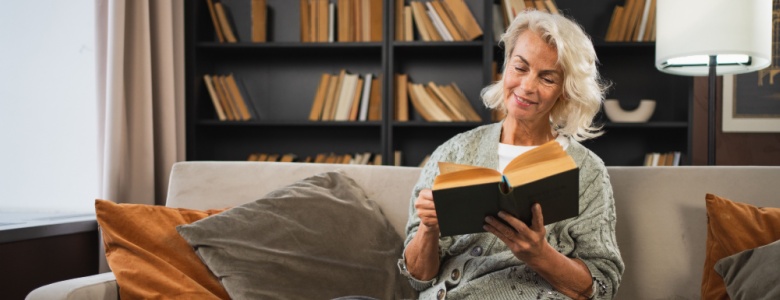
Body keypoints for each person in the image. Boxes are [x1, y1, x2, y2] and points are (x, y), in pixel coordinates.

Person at [398, 10, 625, 300]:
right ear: (506, 68)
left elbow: (602, 284)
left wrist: (541, 255)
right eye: (520, 68)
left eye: (547, 78)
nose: (527, 86)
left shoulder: (588, 172)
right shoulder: (455, 150)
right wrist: (429, 229)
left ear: (565, 92)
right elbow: (418, 278)